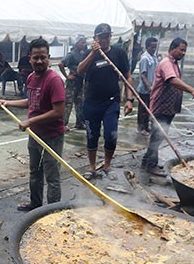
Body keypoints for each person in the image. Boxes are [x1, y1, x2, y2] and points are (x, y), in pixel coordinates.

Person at [0, 38, 65, 212]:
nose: (39, 61)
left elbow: (58, 111)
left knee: (52, 176)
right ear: (29, 58)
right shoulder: (32, 78)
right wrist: (8, 103)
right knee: (35, 172)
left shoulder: (54, 80)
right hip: (34, 134)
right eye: (36, 57)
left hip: (52, 136)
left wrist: (30, 121)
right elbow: (31, 101)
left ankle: (52, 213)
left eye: (43, 57)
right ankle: (36, 205)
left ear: (48, 57)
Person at [77, 23, 134, 181]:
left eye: (107, 36)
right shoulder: (89, 53)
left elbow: (127, 76)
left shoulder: (118, 53)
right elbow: (80, 71)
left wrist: (129, 100)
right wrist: (93, 54)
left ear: (111, 37)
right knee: (91, 135)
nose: (104, 39)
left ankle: (107, 165)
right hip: (91, 103)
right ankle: (92, 167)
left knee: (111, 135)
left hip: (111, 102)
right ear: (95, 38)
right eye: (100, 37)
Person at [141, 38, 194, 178]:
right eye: (181, 49)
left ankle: (146, 161)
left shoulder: (174, 63)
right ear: (172, 48)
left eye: (185, 50)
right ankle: (151, 165)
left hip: (169, 107)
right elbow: (172, 80)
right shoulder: (166, 63)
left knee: (158, 136)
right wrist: (192, 90)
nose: (183, 53)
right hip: (160, 106)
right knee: (157, 136)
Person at [58, 35, 88, 131]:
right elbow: (61, 64)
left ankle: (79, 122)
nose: (84, 44)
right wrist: (67, 76)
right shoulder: (72, 54)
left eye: (84, 42)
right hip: (72, 82)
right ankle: (63, 124)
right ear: (77, 43)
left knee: (80, 103)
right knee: (68, 104)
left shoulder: (83, 54)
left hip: (80, 81)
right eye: (82, 42)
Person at [135, 37, 159, 136]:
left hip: (152, 87)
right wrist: (148, 87)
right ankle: (140, 128)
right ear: (147, 47)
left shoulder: (153, 57)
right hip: (145, 89)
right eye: (152, 47)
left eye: (155, 47)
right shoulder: (145, 58)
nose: (154, 49)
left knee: (149, 109)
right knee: (143, 110)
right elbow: (143, 74)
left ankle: (146, 126)